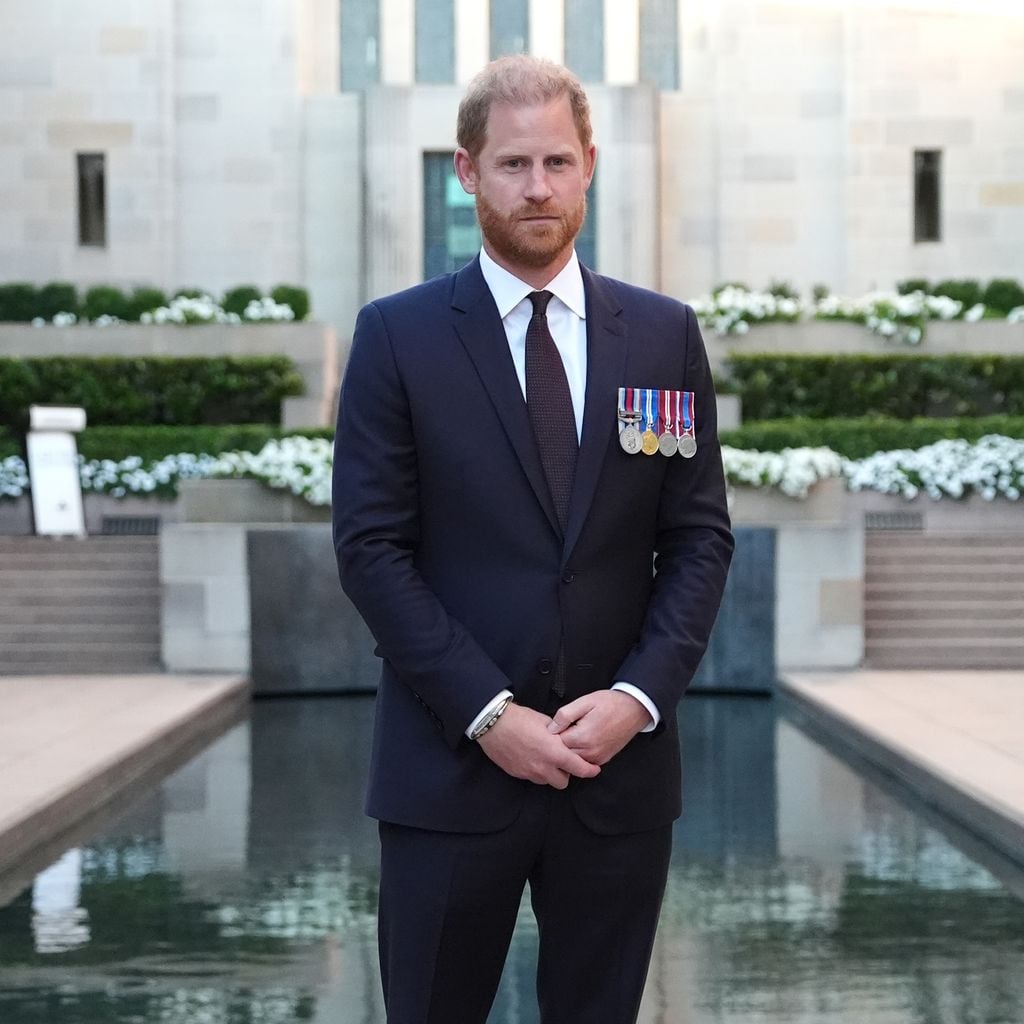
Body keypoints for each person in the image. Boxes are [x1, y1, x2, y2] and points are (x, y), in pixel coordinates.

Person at [332, 54, 734, 1024]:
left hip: (616, 775)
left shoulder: (663, 336)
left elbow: (697, 539)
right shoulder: (398, 337)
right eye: (512, 164)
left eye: (557, 160)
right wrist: (487, 712)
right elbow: (370, 547)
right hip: (449, 771)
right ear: (464, 172)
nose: (539, 186)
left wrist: (637, 697)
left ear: (589, 163)